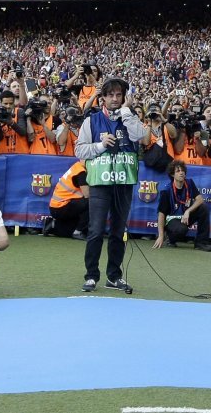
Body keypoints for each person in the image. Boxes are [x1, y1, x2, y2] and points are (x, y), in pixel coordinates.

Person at [76, 77, 149, 293]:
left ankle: (114, 276)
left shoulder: (130, 117)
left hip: (124, 183)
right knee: (96, 230)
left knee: (118, 232)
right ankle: (91, 276)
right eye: (111, 95)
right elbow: (79, 151)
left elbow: (142, 137)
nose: (115, 99)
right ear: (103, 98)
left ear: (124, 97)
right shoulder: (92, 121)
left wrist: (127, 113)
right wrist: (100, 145)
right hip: (100, 182)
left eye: (119, 95)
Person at [152, 160, 211, 252]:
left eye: (182, 171)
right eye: (178, 171)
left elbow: (200, 199)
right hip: (172, 220)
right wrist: (160, 235)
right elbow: (161, 214)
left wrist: (188, 211)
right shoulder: (166, 191)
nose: (181, 173)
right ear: (172, 175)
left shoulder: (189, 183)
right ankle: (169, 237)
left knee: (203, 208)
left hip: (185, 216)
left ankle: (201, 243)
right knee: (181, 230)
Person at [45, 160, 90, 239]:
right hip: (61, 206)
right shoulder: (81, 172)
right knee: (92, 202)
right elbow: (87, 194)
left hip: (59, 206)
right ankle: (78, 232)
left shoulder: (77, 166)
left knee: (70, 230)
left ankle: (53, 226)